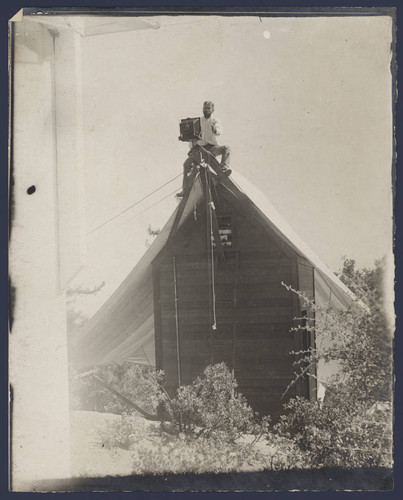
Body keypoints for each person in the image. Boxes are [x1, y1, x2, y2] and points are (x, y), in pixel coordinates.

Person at [176, 101, 231, 197]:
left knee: (226, 148)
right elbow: (191, 135)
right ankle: (185, 189)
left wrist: (215, 130)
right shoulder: (198, 121)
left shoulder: (214, 120)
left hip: (212, 148)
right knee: (187, 164)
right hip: (199, 149)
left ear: (212, 110)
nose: (206, 110)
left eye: (208, 108)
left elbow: (219, 129)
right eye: (204, 108)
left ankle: (223, 170)